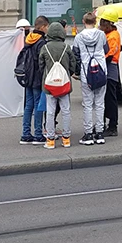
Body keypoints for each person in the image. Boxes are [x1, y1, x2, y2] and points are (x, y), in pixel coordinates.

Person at [39, 21, 77, 149]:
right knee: (66, 111)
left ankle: (50, 140)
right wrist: (68, 73)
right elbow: (73, 65)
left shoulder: (45, 48)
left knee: (50, 111)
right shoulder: (66, 47)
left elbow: (40, 66)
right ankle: (66, 139)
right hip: (64, 84)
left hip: (49, 85)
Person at [73, 12, 108, 146]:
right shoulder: (101, 35)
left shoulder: (79, 37)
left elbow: (76, 55)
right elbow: (106, 49)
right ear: (95, 21)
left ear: (83, 21)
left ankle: (88, 134)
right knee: (100, 103)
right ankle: (99, 133)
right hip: (100, 71)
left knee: (87, 104)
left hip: (86, 73)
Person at [18, 16, 49, 145]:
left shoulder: (28, 38)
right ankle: (38, 134)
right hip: (37, 76)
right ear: (42, 27)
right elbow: (41, 61)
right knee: (38, 105)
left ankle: (25, 134)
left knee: (28, 105)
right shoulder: (41, 41)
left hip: (27, 76)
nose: (47, 29)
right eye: (47, 26)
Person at [99, 13, 120, 137]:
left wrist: (98, 60)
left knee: (110, 99)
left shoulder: (113, 36)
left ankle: (112, 126)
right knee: (105, 98)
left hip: (110, 68)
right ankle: (107, 124)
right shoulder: (109, 34)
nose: (100, 26)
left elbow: (110, 54)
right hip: (109, 68)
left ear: (108, 24)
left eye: (102, 24)